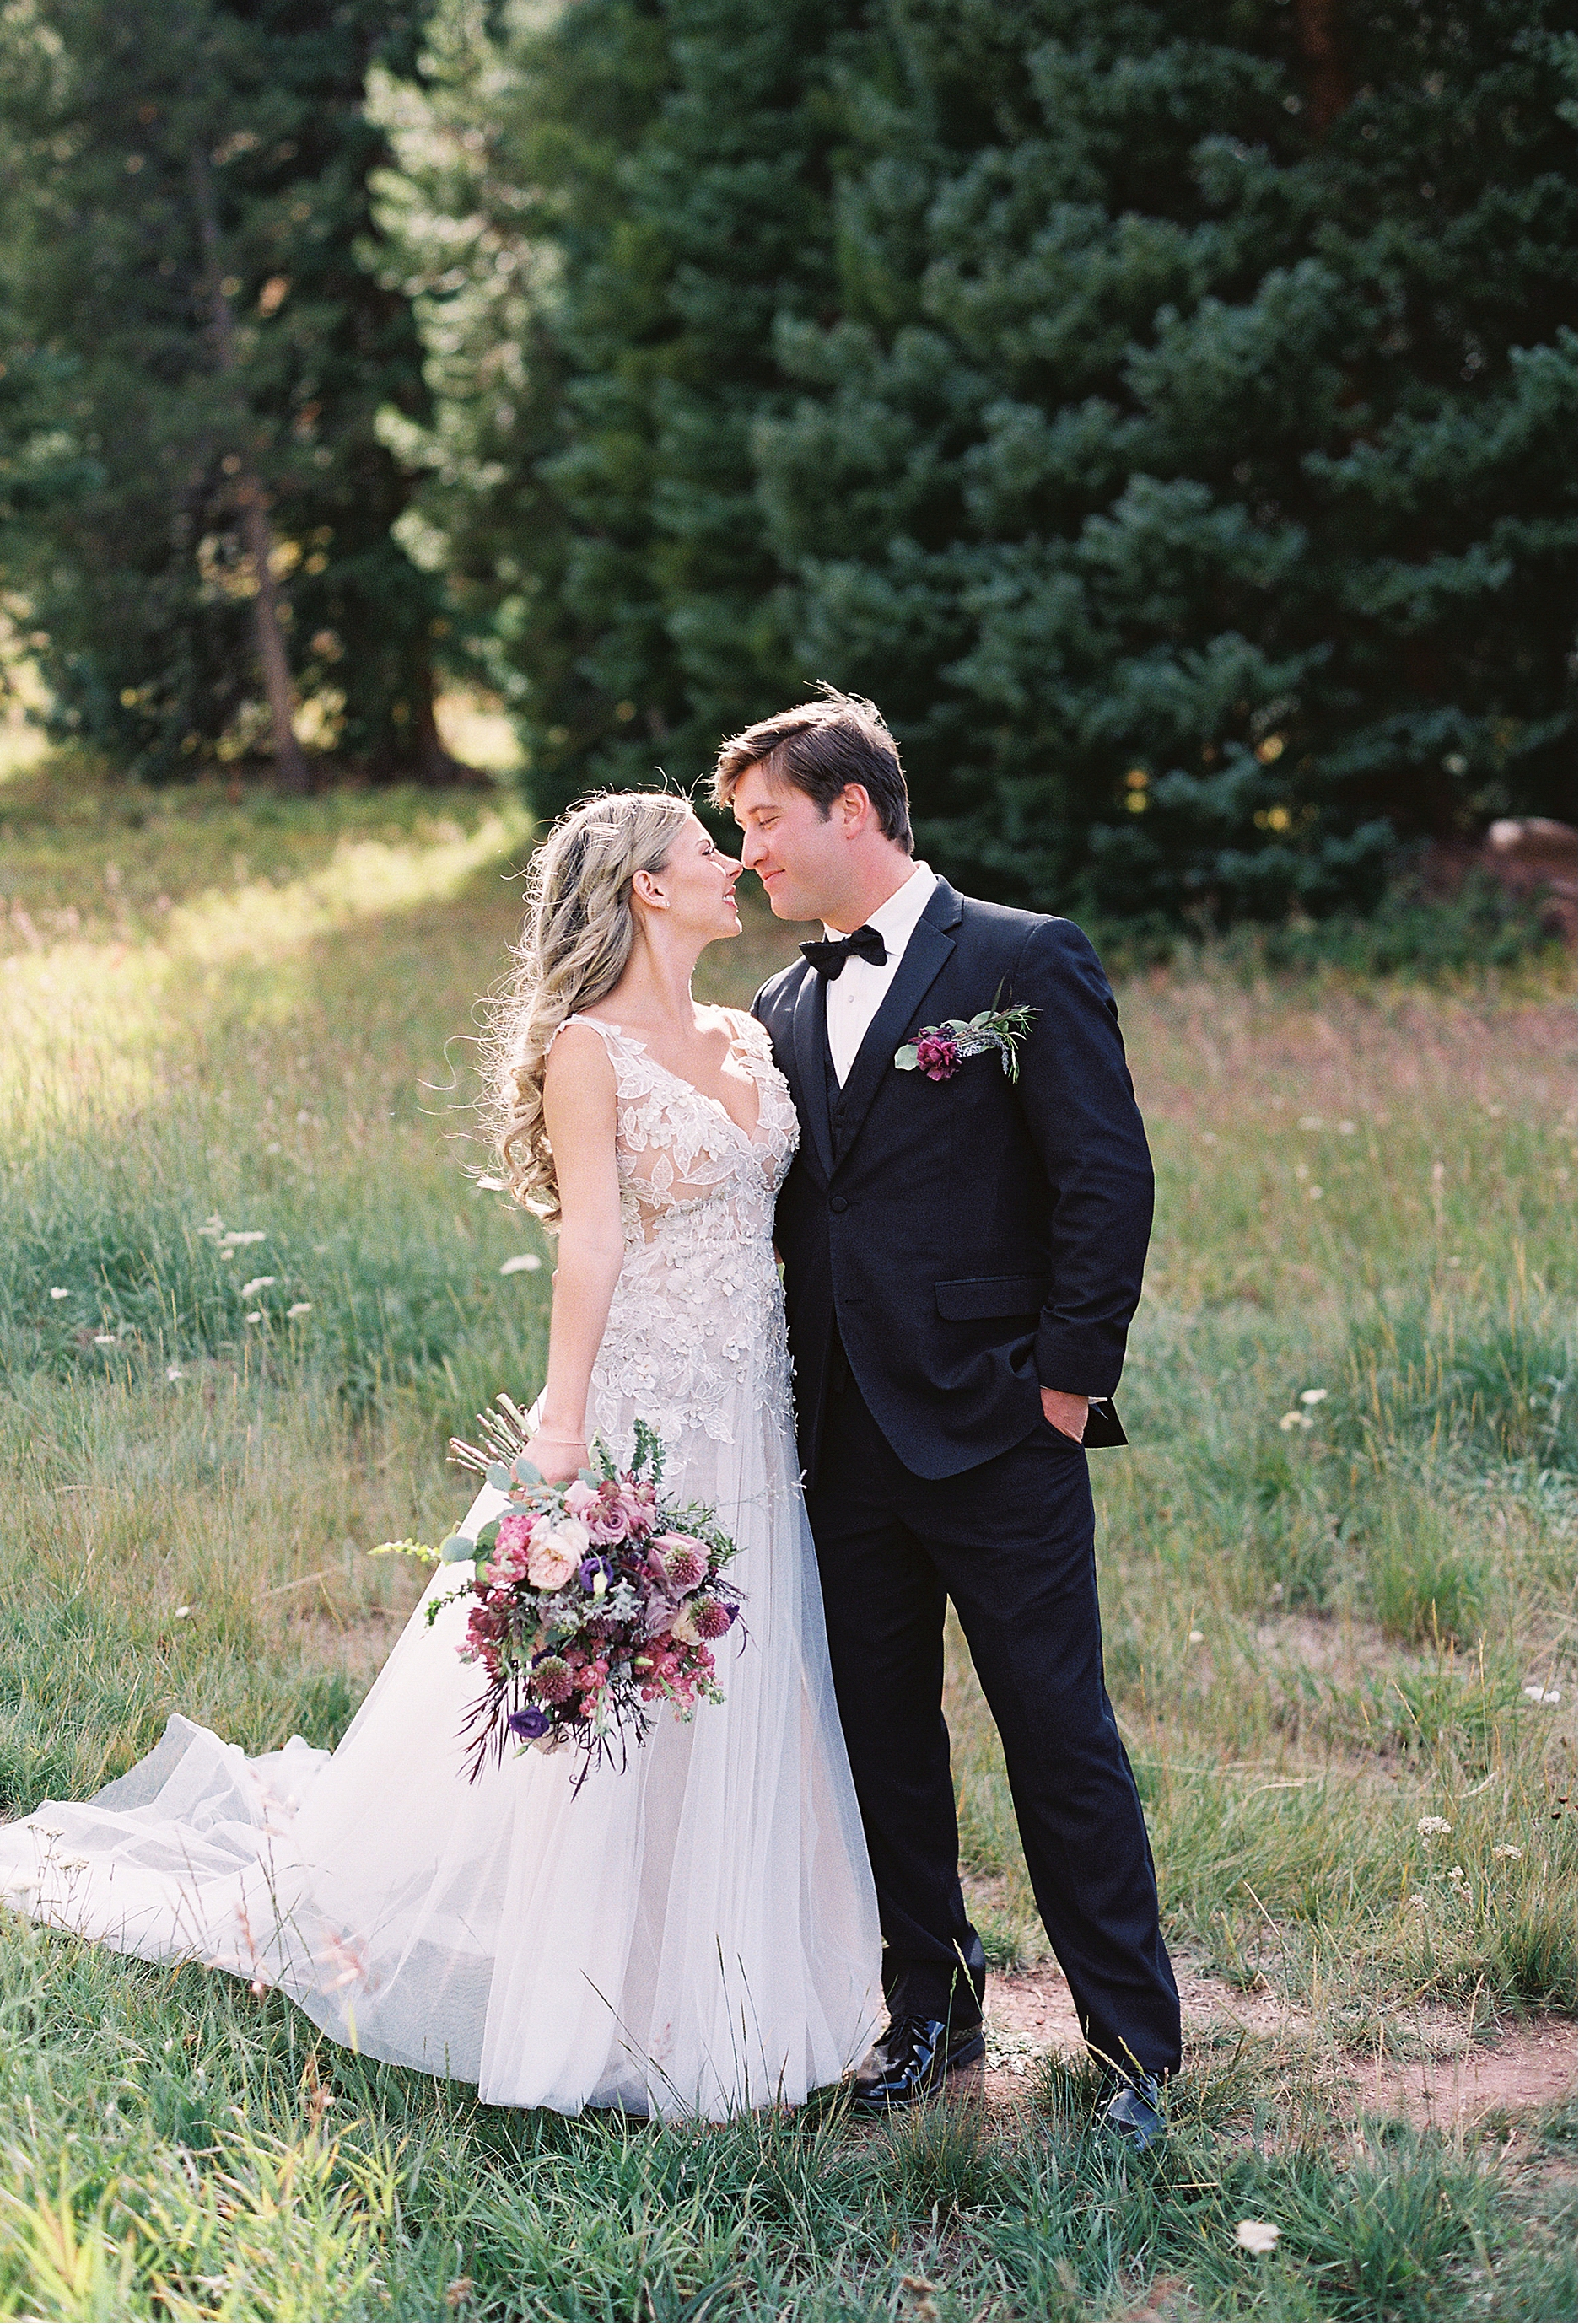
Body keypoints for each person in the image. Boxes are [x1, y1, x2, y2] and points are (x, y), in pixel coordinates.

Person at [0, 792, 882, 2122]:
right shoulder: (590, 1054)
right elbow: (591, 1241)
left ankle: (723, 1973)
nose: (735, 867)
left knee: (736, 1667)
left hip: (754, 1404)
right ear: (647, 889)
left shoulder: (744, 1031)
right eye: (707, 854)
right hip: (645, 1399)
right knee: (616, 1687)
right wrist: (562, 1423)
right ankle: (593, 1987)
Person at [714, 688, 1180, 2144]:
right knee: (881, 1738)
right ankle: (931, 2007)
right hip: (840, 1437)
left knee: (1057, 1727)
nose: (751, 858)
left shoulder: (1024, 960)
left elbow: (1107, 1180)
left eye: (767, 823)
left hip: (998, 1426)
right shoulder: (782, 1007)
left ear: (853, 807)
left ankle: (1132, 2043)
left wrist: (1065, 1383)